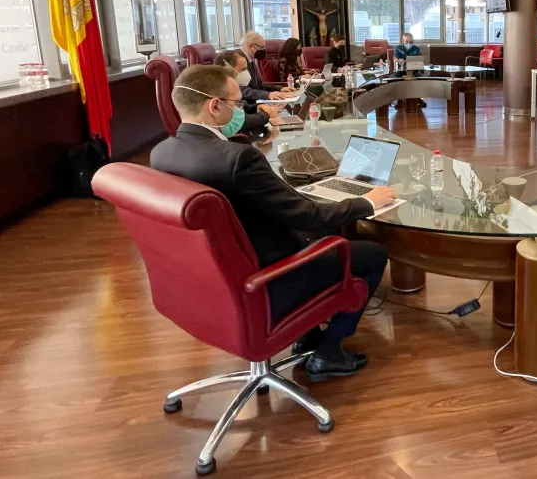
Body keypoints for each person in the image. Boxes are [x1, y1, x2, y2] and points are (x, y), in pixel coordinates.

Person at [150, 65, 396, 380]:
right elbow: (309, 216)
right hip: (271, 274)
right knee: (372, 254)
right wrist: (366, 202)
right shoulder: (238, 159)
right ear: (214, 105)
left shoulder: (161, 154)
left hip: (210, 277)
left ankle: (306, 335)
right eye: (236, 104)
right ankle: (329, 353)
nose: (241, 111)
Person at [213, 50, 282, 135]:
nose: (247, 73)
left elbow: (241, 107)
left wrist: (257, 107)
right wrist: (266, 115)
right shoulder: (219, 89)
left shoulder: (230, 85)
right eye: (243, 69)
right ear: (227, 68)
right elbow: (241, 123)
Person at [238, 31, 291, 101]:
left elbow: (259, 84)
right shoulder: (237, 61)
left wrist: (280, 88)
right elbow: (240, 90)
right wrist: (267, 95)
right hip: (245, 107)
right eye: (261, 47)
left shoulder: (251, 60)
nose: (264, 50)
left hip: (255, 102)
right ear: (251, 47)